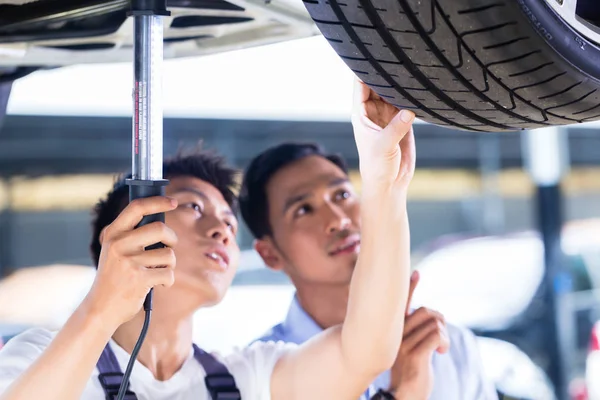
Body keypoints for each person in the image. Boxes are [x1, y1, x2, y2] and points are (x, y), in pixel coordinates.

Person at [0, 79, 418, 400]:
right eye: (194, 207)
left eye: (230, 223)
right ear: (129, 229)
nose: (222, 229)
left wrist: (387, 186)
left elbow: (363, 353)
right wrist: (99, 310)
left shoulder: (244, 378)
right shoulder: (40, 357)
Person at [238, 141, 498, 398]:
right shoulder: (261, 376)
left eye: (342, 195)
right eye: (304, 209)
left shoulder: (446, 346)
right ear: (270, 254)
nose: (339, 219)